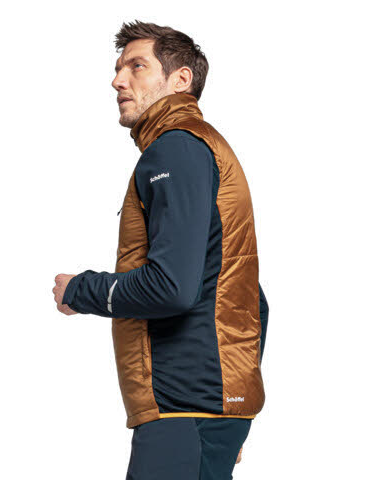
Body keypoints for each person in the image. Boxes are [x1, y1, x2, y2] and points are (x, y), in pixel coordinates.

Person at [53, 19, 269, 480]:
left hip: (180, 403)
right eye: (118, 68)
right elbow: (253, 298)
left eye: (136, 66)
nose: (118, 80)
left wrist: (81, 291)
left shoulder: (175, 150)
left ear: (180, 79)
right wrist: (233, 405)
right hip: (208, 405)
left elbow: (171, 287)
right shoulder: (202, 148)